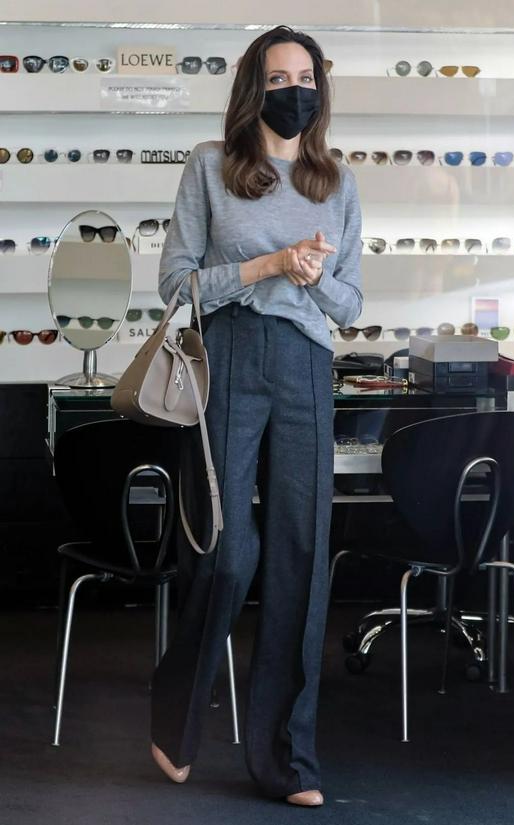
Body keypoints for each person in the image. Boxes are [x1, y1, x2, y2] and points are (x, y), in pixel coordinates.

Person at [150, 24, 363, 807]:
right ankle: (175, 719)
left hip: (305, 364)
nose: (293, 91)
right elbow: (176, 284)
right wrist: (266, 264)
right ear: (252, 88)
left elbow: (350, 303)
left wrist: (309, 277)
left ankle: (288, 761)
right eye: (277, 79)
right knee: (224, 552)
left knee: (300, 555)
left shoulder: (336, 181)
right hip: (230, 357)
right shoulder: (212, 166)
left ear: (319, 90)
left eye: (304, 78)